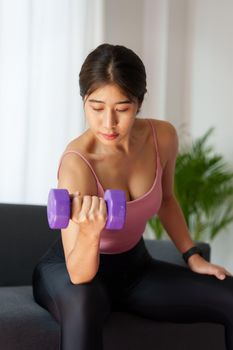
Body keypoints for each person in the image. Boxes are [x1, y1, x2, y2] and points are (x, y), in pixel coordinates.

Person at [32, 43, 233, 350]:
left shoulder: (162, 137)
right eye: (96, 108)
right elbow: (79, 273)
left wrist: (192, 255)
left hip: (136, 270)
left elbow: (166, 200)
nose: (108, 123)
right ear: (83, 101)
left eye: (122, 109)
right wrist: (89, 232)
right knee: (84, 302)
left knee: (228, 293)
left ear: (139, 103)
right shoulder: (76, 163)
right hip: (73, 272)